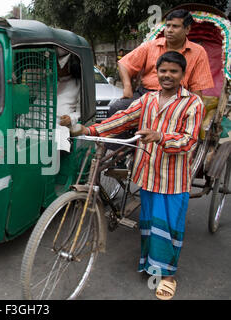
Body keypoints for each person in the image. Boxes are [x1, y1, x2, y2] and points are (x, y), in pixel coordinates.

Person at [70, 51, 205, 300]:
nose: (167, 75)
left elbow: (189, 140)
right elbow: (123, 119)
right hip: (148, 174)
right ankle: (151, 265)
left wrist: (160, 136)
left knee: (169, 226)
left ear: (182, 75)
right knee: (151, 224)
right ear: (157, 73)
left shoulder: (192, 103)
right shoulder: (148, 100)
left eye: (173, 71)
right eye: (163, 70)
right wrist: (89, 128)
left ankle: (168, 276)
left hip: (173, 179)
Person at [108, 9, 213, 118]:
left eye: (175, 26)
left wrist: (197, 109)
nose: (169, 30)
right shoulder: (150, 46)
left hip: (178, 97)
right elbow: (124, 63)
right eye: (168, 26)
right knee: (116, 109)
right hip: (146, 94)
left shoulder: (198, 52)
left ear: (187, 29)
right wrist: (127, 87)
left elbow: (197, 87)